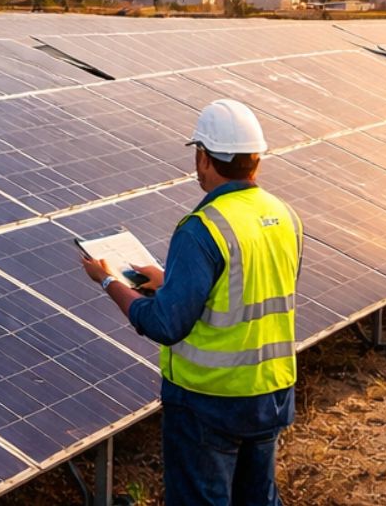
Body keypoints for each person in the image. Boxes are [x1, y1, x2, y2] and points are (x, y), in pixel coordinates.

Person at [80, 98, 302, 506]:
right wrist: (171, 281)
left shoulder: (202, 229)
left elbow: (166, 324)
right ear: (256, 159)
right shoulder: (284, 215)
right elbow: (249, 287)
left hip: (209, 403)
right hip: (269, 395)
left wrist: (110, 280)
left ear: (204, 158)